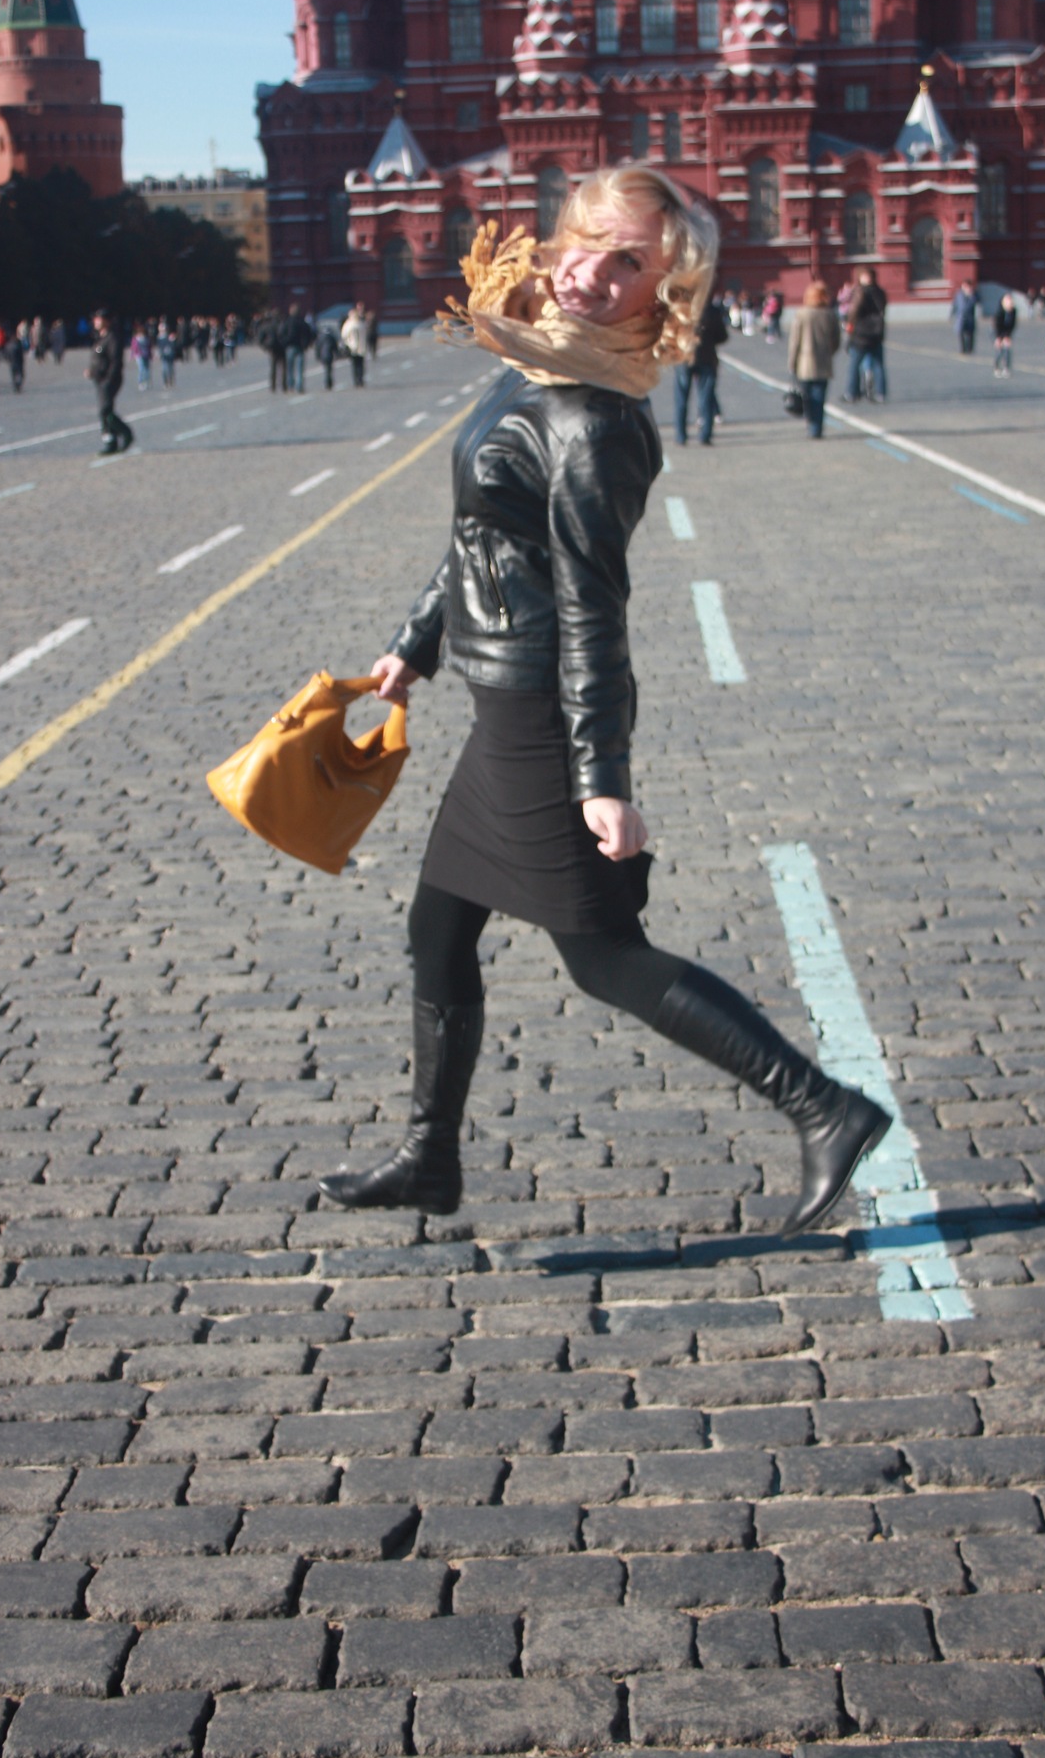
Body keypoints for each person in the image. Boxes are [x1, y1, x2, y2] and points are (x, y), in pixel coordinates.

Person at [313, 164, 891, 1239]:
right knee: (438, 927)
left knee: (604, 956)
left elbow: (592, 605)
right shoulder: (533, 363)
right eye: (590, 242)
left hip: (539, 710)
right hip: (497, 698)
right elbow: (480, 534)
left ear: (660, 292)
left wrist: (603, 778)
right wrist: (413, 647)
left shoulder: (596, 420)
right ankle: (430, 1155)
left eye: (630, 263)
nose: (593, 272)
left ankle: (824, 1106)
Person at [787, 280, 842, 438]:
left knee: (807, 397)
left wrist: (792, 362)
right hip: (823, 361)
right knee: (820, 396)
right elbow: (836, 340)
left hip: (804, 363)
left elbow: (794, 341)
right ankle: (817, 427)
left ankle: (810, 422)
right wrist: (829, 352)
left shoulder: (802, 314)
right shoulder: (830, 314)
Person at [672, 293, 729, 444]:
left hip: (684, 358)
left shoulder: (680, 309)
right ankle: (705, 434)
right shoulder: (711, 310)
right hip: (707, 357)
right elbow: (723, 336)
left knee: (681, 398)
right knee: (706, 397)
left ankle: (681, 435)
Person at [87, 309, 133, 455]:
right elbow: (98, 359)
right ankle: (110, 441)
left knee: (105, 410)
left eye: (99, 319)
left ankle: (125, 432)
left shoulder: (112, 338)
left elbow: (115, 361)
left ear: (107, 321)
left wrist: (109, 378)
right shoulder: (99, 338)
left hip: (109, 380)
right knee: (105, 412)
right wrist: (92, 371)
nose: (95, 322)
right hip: (99, 379)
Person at [845, 266, 888, 401]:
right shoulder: (880, 292)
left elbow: (854, 311)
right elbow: (883, 308)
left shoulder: (860, 292)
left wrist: (848, 321)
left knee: (854, 364)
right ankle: (881, 393)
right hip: (876, 332)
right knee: (878, 365)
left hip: (861, 333)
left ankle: (852, 392)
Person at [285, 303, 314, 395]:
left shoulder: (288, 322)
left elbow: (282, 332)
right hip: (301, 347)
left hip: (290, 346)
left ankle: (290, 385)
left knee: (290, 368)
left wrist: (285, 342)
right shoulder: (303, 323)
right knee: (300, 368)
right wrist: (306, 344)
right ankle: (299, 386)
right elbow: (309, 334)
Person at [341, 301, 369, 387]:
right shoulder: (361, 323)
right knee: (360, 364)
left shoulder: (348, 324)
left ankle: (356, 380)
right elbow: (366, 333)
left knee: (354, 365)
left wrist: (347, 342)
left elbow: (344, 335)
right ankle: (360, 379)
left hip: (352, 346)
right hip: (361, 346)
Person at [992, 293, 1018, 378]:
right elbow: (996, 325)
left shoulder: (1013, 311)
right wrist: (998, 338)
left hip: (1006, 332)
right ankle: (996, 367)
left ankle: (1006, 368)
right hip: (997, 332)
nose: (1010, 302)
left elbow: (1013, 325)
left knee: (1007, 349)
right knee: (999, 350)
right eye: (1007, 300)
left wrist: (1008, 336)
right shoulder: (999, 311)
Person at [951, 282, 978, 355]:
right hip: (961, 317)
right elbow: (955, 304)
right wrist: (952, 314)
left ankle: (969, 349)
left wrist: (971, 296)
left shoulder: (973, 295)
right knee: (961, 333)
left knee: (970, 333)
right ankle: (962, 348)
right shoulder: (959, 294)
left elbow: (975, 302)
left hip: (970, 317)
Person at [315, 321, 338, 390]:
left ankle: (327, 382)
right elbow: (335, 347)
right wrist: (337, 354)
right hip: (329, 355)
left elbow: (318, 347)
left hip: (323, 355)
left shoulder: (320, 337)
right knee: (329, 369)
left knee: (326, 369)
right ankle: (329, 382)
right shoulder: (331, 337)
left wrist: (318, 356)